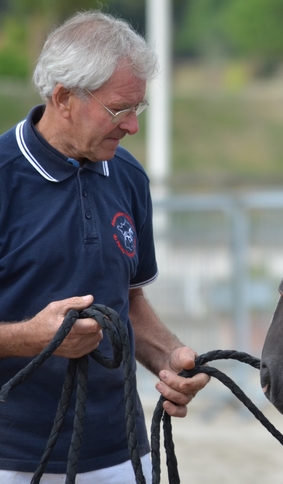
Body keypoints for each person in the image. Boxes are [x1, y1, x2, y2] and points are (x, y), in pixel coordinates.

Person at [0, 10, 209, 483]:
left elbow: (128, 299)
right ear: (63, 98)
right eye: (119, 109)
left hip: (124, 455)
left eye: (139, 108)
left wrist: (171, 357)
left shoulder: (129, 176)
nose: (132, 126)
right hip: (11, 460)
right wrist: (32, 338)